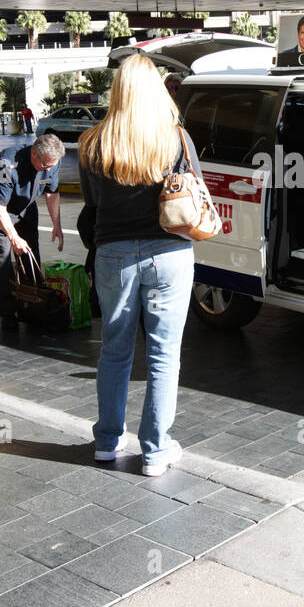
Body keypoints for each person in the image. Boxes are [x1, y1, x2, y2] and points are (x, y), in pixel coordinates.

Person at [78, 54, 198, 476]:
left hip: (113, 256)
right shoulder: (176, 138)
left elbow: (91, 209)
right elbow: (194, 194)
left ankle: (107, 442)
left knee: (114, 350)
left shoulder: (93, 142)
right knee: (164, 355)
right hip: (168, 254)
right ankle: (155, 450)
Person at [0, 133, 64, 329]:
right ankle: (8, 312)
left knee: (30, 251)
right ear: (34, 154)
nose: (49, 169)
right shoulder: (7, 164)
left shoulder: (52, 162)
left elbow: (52, 193)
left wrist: (56, 224)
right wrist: (14, 237)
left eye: (52, 165)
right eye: (45, 165)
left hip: (25, 207)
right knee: (2, 257)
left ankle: (33, 300)